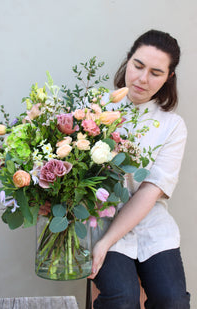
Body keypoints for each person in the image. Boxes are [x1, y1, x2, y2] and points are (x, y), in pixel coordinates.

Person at [88, 29, 190, 309]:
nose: (142, 79)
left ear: (169, 77)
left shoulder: (172, 126)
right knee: (122, 299)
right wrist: (102, 241)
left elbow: (150, 192)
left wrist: (107, 242)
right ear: (128, 60)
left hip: (150, 223)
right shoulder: (94, 109)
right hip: (101, 218)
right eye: (138, 65)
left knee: (173, 301)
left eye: (156, 72)